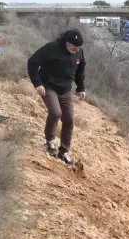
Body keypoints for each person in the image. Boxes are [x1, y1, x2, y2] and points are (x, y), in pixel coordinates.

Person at [27, 28, 86, 163]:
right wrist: (37, 83)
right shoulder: (52, 48)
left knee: (69, 119)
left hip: (65, 89)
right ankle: (49, 141)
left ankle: (64, 152)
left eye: (79, 48)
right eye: (74, 47)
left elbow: (80, 71)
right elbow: (32, 62)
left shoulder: (79, 52)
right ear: (67, 42)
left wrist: (81, 88)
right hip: (48, 86)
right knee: (55, 112)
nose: (77, 50)